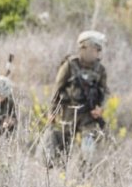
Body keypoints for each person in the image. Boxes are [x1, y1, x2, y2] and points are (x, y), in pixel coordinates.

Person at [44, 30, 109, 165]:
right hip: (69, 113)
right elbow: (57, 89)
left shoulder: (100, 69)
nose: (98, 52)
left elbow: (105, 91)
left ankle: (85, 175)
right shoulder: (69, 66)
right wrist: (52, 112)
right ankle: (60, 177)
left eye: (99, 50)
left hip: (88, 115)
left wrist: (101, 108)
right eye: (96, 49)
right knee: (62, 149)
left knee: (89, 147)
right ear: (86, 47)